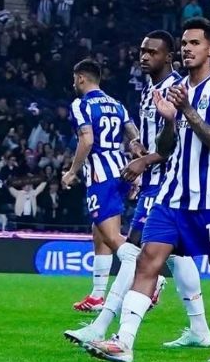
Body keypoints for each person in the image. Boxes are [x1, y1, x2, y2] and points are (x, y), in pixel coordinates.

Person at [84, 18, 210, 362]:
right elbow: (167, 148)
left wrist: (186, 110)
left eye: (195, 43)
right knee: (147, 260)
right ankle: (123, 341)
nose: (188, 49)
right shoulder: (175, 89)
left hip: (209, 197)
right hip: (171, 194)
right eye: (185, 43)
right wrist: (170, 120)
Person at [65, 31, 210, 349]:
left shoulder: (176, 90)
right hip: (157, 180)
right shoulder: (150, 91)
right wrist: (139, 155)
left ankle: (103, 326)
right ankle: (200, 330)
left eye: (152, 52)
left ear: (169, 56)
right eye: (142, 50)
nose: (144, 56)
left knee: (135, 252)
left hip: (168, 182)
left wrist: (144, 162)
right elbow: (150, 139)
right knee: (178, 257)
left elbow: (178, 144)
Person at [62, 60, 160, 313]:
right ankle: (96, 295)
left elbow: (87, 139)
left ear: (81, 78)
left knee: (113, 237)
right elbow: (134, 134)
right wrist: (136, 161)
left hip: (100, 175)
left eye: (75, 79)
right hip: (121, 172)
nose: (74, 83)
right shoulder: (115, 103)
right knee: (99, 231)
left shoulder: (80, 104)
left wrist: (72, 171)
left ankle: (154, 279)